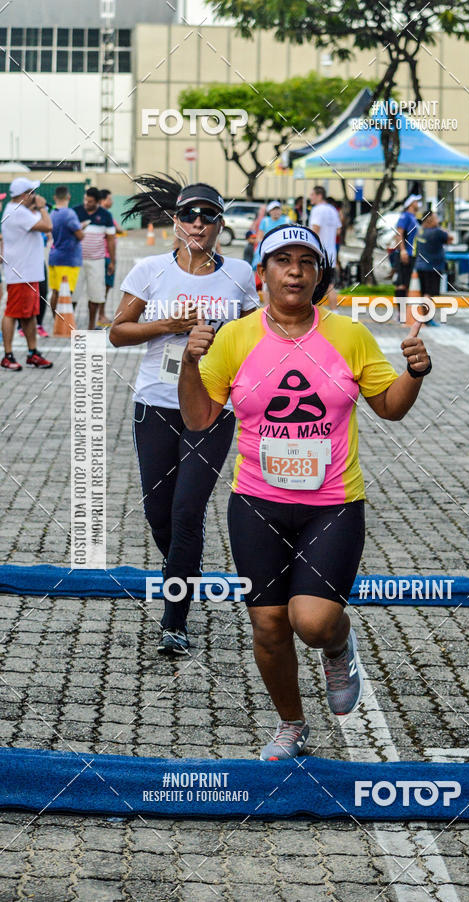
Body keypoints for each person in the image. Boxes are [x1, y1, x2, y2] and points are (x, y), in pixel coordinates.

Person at [178, 223, 432, 761]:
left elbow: (389, 406)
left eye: (307, 262)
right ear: (261, 273)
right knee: (269, 625)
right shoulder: (235, 337)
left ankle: (338, 645)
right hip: (256, 503)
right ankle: (291, 725)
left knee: (311, 623)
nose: (295, 271)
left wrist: (414, 372)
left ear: (319, 274)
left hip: (333, 504)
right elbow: (200, 417)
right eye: (282, 260)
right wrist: (187, 362)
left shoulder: (348, 335)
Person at [110, 175, 259, 654]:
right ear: (175, 221)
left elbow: (259, 335)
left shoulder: (238, 273)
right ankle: (183, 569)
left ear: (220, 224)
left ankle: (175, 620)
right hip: (155, 400)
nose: (198, 222)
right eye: (189, 214)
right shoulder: (150, 269)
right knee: (159, 515)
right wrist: (168, 325)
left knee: (186, 511)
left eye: (208, 215)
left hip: (213, 406)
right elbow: (118, 332)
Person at [1, 177, 53, 371]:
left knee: (29, 315)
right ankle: (7, 355)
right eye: (32, 193)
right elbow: (48, 226)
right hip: (21, 273)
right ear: (24, 195)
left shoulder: (18, 211)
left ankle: (33, 352)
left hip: (28, 273)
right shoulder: (18, 213)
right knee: (12, 313)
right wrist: (42, 208)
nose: (36, 196)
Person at [74, 187, 116, 331]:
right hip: (76, 261)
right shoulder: (76, 211)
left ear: (98, 202)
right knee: (73, 294)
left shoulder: (105, 215)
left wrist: (112, 262)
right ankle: (70, 322)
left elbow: (111, 239)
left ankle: (91, 325)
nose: (86, 203)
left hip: (97, 261)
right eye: (85, 200)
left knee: (95, 295)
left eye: (90, 201)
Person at [48, 186, 84, 317]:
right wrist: (82, 228)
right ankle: (64, 321)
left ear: (54, 198)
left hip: (54, 257)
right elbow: (80, 235)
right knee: (66, 292)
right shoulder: (70, 213)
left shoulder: (52, 213)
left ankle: (55, 319)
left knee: (55, 291)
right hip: (68, 259)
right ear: (68, 197)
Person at [414, 211, 454, 326]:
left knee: (424, 293)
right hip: (432, 267)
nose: (438, 221)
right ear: (430, 220)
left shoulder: (421, 231)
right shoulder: (437, 232)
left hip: (421, 266)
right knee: (429, 294)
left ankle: (425, 318)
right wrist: (443, 229)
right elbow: (450, 239)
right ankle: (428, 319)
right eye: (436, 218)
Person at [308, 186, 341, 309]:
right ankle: (334, 311)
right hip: (331, 253)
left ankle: (312, 313)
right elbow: (338, 230)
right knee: (330, 285)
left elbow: (315, 230)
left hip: (319, 253)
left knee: (312, 284)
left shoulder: (317, 209)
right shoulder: (332, 210)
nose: (310, 197)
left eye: (312, 194)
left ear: (319, 195)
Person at [392, 194, 421, 322]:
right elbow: (399, 234)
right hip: (406, 254)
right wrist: (403, 250)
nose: (418, 204)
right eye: (416, 201)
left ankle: (403, 312)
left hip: (412, 254)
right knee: (402, 284)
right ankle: (400, 313)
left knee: (407, 284)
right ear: (410, 203)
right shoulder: (405, 216)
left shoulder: (413, 217)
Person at [98, 189, 122, 327]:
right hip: (106, 256)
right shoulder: (105, 215)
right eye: (109, 199)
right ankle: (101, 315)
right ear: (103, 200)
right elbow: (118, 229)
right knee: (104, 287)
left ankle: (100, 314)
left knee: (103, 287)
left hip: (104, 256)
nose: (111, 201)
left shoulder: (103, 215)